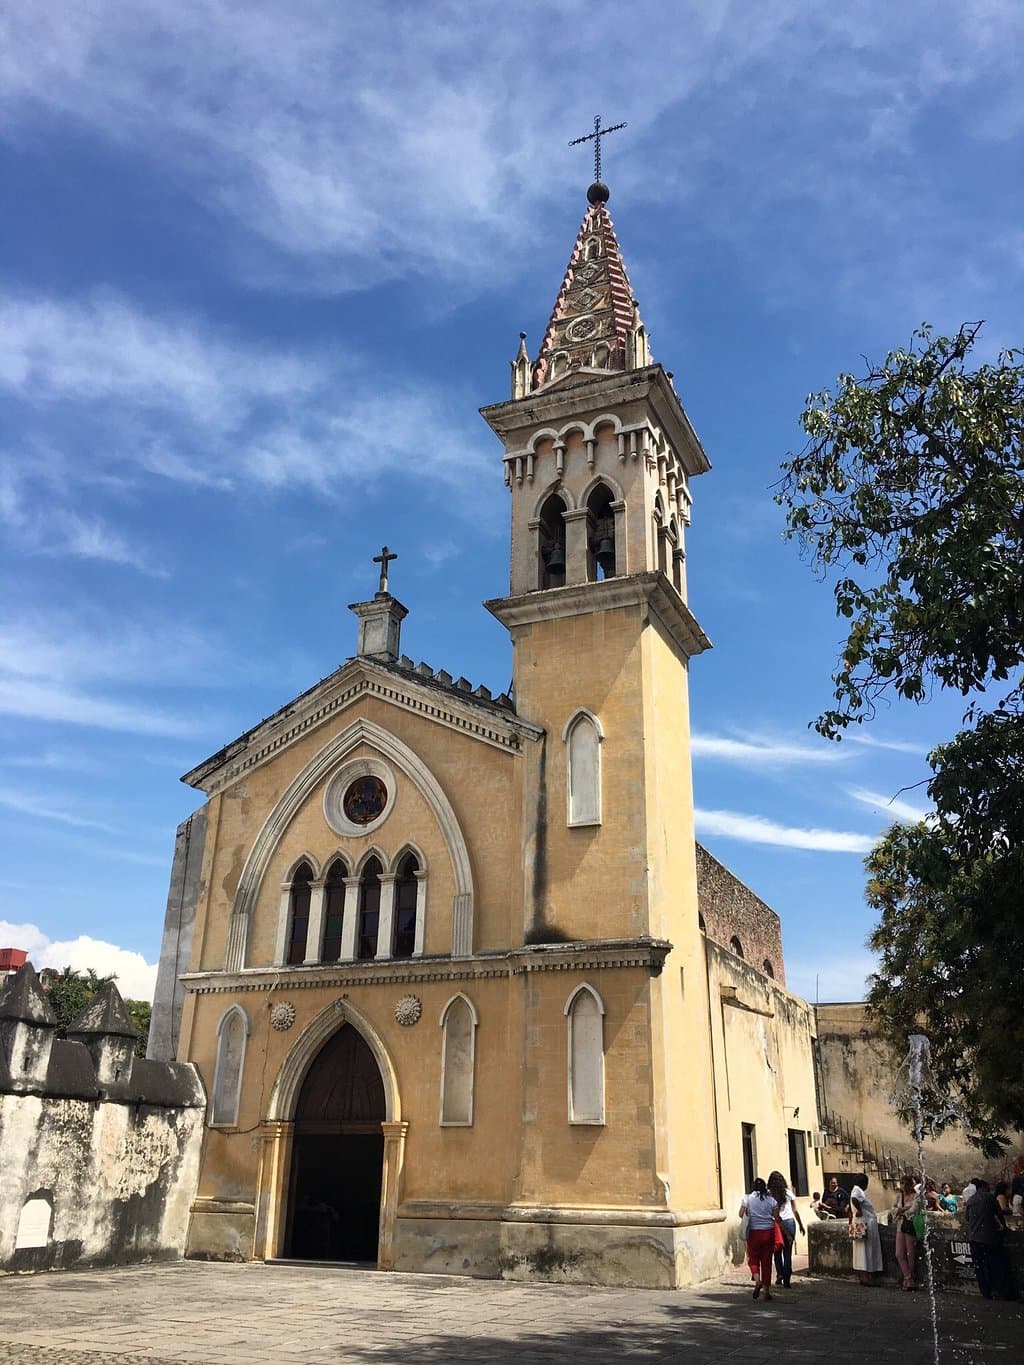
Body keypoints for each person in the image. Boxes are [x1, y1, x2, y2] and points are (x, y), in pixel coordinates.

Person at [965, 1180, 1015, 1300]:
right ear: (983, 1187)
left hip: (974, 1238)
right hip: (988, 1237)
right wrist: (1004, 1228)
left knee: (980, 1268)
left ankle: (986, 1292)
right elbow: (999, 1214)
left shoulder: (971, 1200)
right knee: (996, 1265)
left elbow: (967, 1218)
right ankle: (1003, 1292)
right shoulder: (989, 1197)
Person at [740, 1177, 782, 1301]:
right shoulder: (771, 1200)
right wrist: (785, 1231)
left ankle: (757, 1281)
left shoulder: (747, 1198)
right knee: (766, 1262)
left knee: (753, 1259)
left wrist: (750, 1212)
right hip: (768, 1232)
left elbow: (740, 1214)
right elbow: (777, 1217)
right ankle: (766, 1292)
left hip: (753, 1232)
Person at [767, 1170, 804, 1287]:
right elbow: (795, 1210)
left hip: (776, 1224)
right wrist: (801, 1224)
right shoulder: (788, 1192)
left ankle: (780, 1274)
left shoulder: (769, 1194)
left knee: (776, 1252)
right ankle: (787, 1281)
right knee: (787, 1253)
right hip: (789, 1222)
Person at [891, 1175, 922, 1291]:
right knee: (899, 1253)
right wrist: (899, 1211)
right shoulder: (899, 1196)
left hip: (911, 1226)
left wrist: (901, 1210)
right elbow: (892, 1209)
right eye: (902, 1183)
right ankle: (908, 1277)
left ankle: (910, 1280)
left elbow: (914, 1210)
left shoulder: (917, 1196)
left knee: (910, 1254)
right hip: (900, 1225)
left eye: (905, 1183)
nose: (903, 1186)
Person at [848, 1184, 883, 1285]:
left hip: (861, 1222)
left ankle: (865, 1276)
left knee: (862, 1250)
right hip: (864, 1222)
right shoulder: (857, 1191)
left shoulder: (855, 1190)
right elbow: (854, 1199)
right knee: (865, 1250)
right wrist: (859, 1210)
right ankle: (866, 1277)